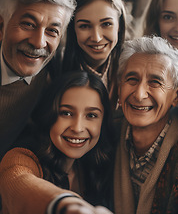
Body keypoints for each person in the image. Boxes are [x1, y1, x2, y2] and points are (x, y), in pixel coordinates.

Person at [113, 36, 178, 214]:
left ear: (176, 96)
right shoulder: (105, 133)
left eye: (155, 82)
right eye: (132, 79)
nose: (139, 95)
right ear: (119, 87)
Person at [0, 71, 115, 214]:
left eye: (91, 115)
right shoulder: (20, 156)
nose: (78, 128)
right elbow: (19, 180)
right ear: (49, 114)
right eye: (66, 113)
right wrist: (64, 204)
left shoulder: (96, 166)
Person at [0, 0, 76, 160]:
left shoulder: (55, 75)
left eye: (52, 31)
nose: (38, 42)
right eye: (28, 24)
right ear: (1, 26)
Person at [62, 0, 126, 109]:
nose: (96, 38)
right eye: (84, 26)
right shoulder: (55, 68)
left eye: (106, 24)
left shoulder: (132, 67)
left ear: (119, 26)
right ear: (73, 29)